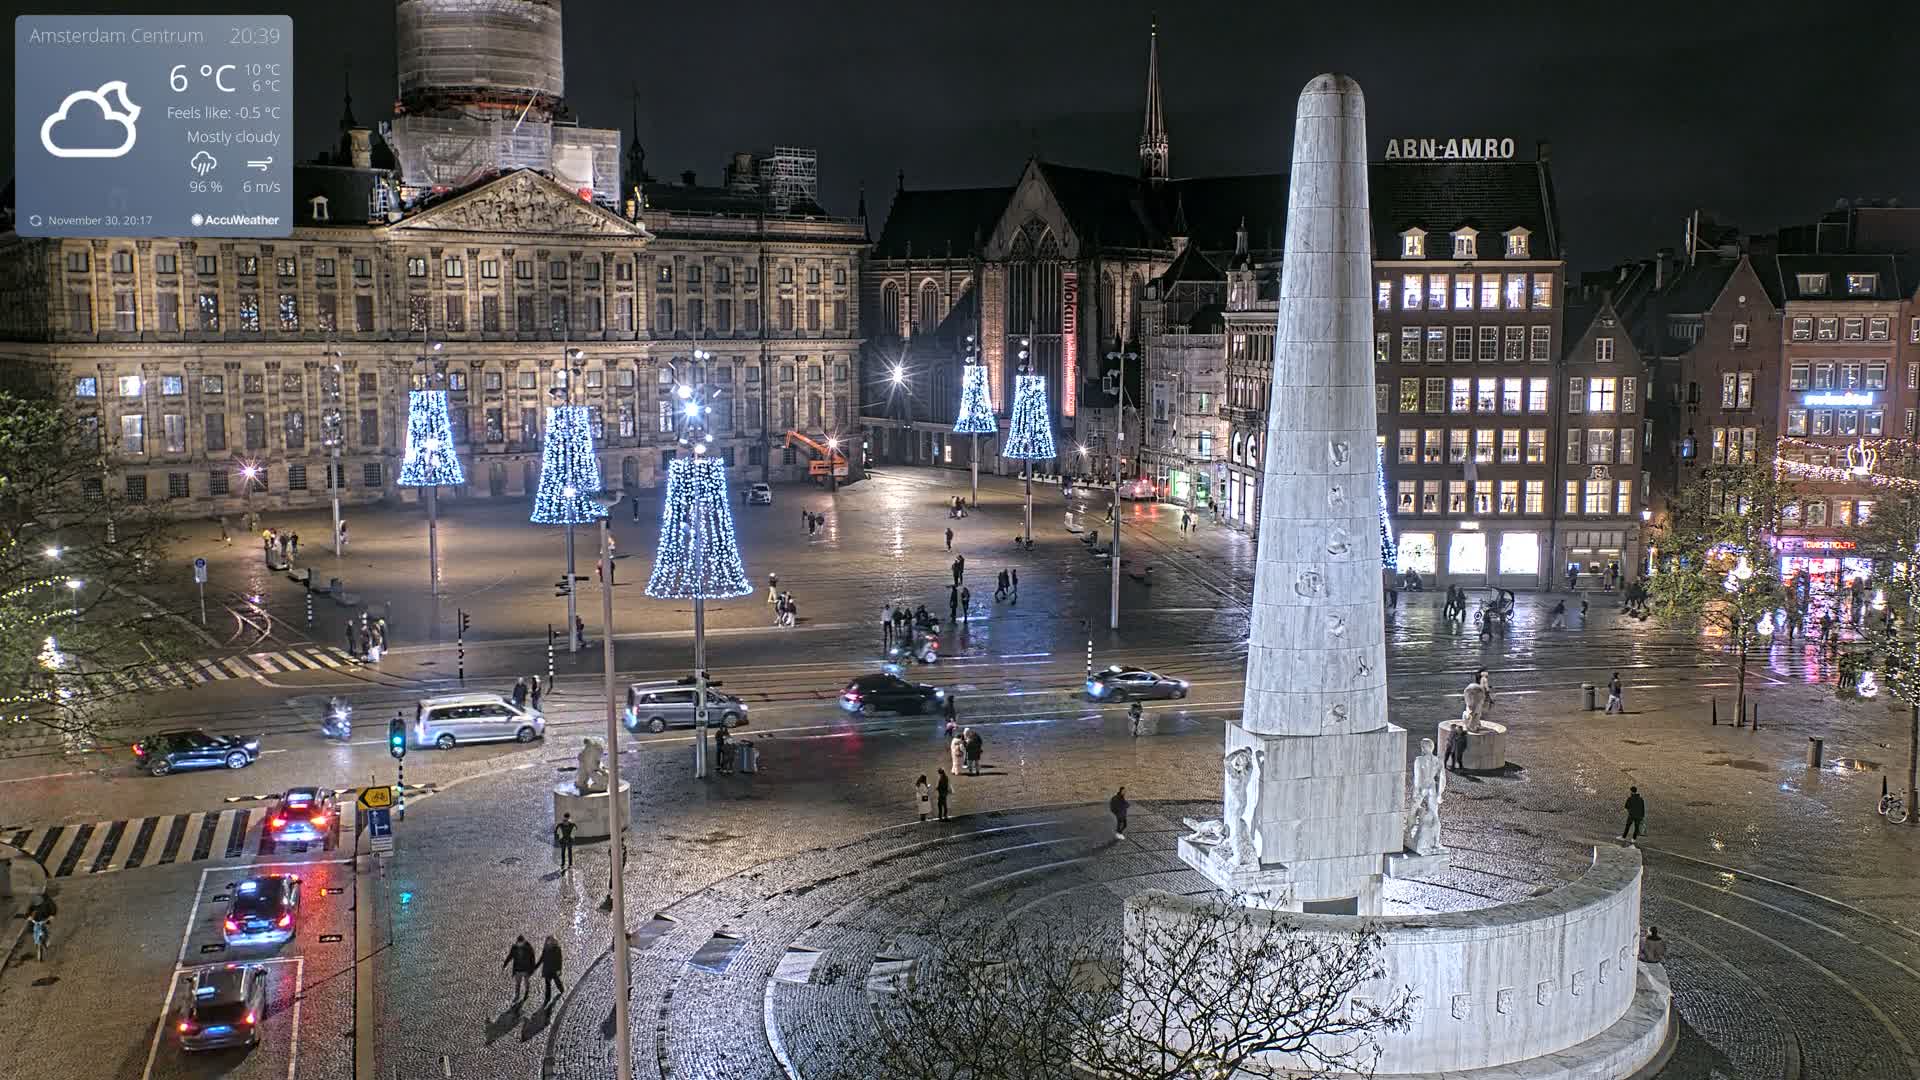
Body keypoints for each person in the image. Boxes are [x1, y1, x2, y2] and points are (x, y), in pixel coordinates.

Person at [504, 935, 537, 1003]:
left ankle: (526, 993)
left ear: (523, 942)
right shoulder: (514, 947)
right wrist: (505, 963)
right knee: (517, 983)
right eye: (518, 942)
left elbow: (532, 959)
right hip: (518, 969)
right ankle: (517, 995)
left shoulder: (528, 948)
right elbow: (510, 955)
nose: (519, 944)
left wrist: (532, 968)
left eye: (520, 942)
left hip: (526, 969)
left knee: (526, 982)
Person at [538, 936, 565, 1006]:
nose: (548, 942)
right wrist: (536, 966)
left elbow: (559, 960)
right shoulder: (546, 949)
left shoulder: (557, 949)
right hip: (547, 969)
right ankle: (547, 997)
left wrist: (559, 969)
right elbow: (542, 958)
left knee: (556, 980)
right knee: (547, 984)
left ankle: (561, 989)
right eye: (548, 941)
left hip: (553, 969)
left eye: (550, 941)